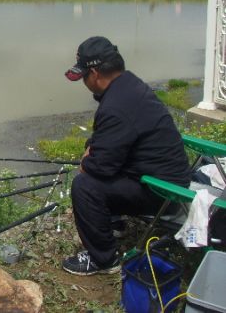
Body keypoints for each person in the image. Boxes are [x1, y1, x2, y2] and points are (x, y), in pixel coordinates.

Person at [62, 36, 191, 276]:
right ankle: (112, 223)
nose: (83, 83)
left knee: (84, 185)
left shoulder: (116, 106)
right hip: (164, 179)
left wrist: (86, 160)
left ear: (95, 74)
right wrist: (93, 150)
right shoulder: (128, 85)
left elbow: (95, 168)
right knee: (99, 154)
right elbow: (109, 142)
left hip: (166, 193)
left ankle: (103, 260)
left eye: (83, 77)